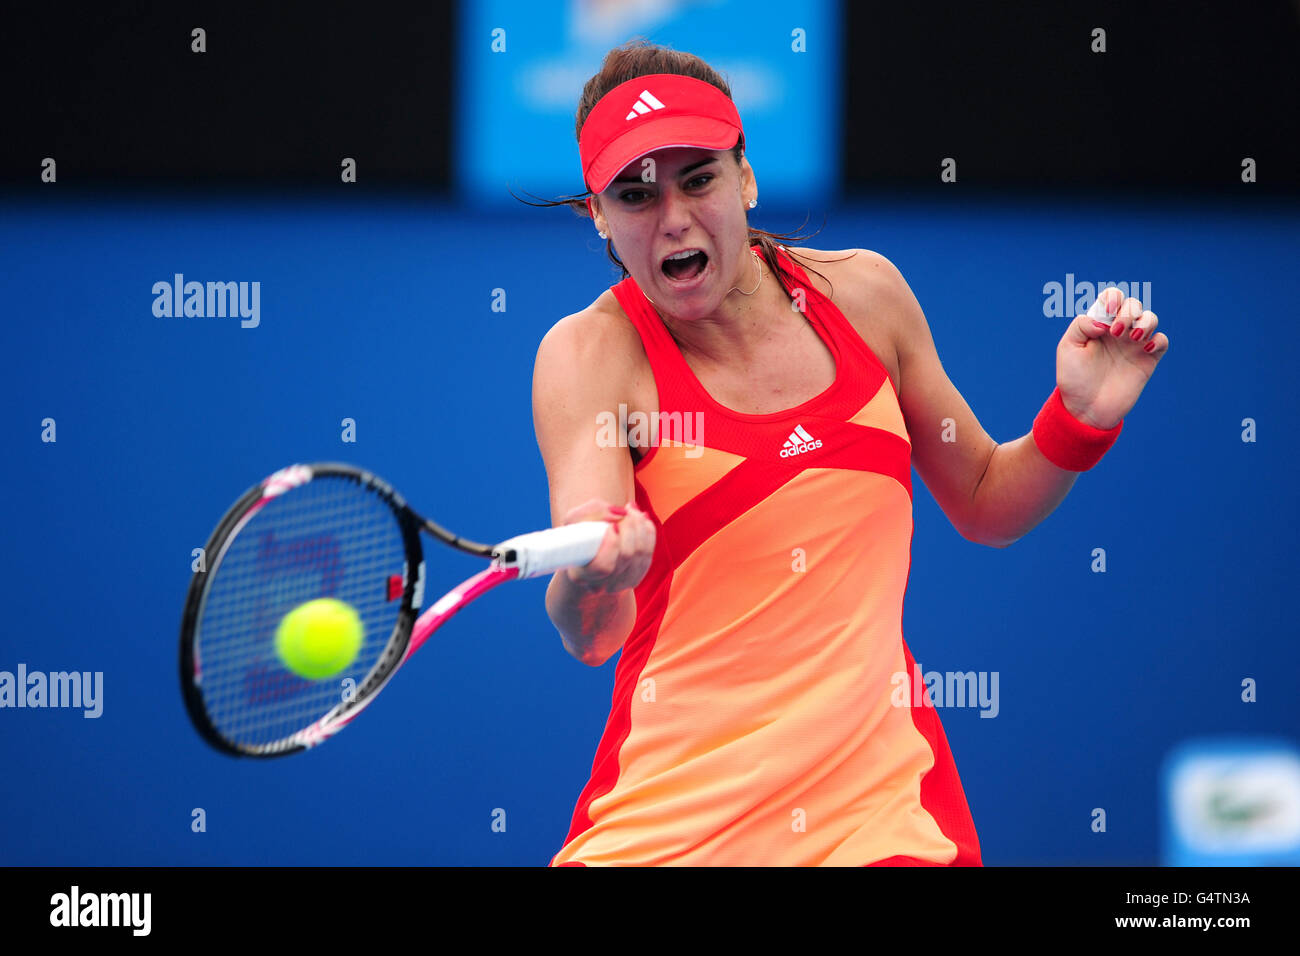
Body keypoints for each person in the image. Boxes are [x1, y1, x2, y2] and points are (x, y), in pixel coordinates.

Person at [527, 41, 1168, 866]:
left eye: (699, 177)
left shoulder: (866, 297)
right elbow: (593, 632)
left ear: (746, 177)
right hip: (663, 831)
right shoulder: (589, 357)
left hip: (880, 826)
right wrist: (591, 572)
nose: (674, 216)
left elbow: (982, 498)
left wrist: (1076, 419)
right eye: (635, 194)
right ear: (599, 217)